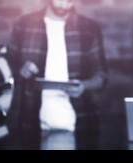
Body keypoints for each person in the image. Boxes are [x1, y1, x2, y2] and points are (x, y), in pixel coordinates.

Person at [8, 0, 107, 149]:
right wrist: (21, 70)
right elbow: (7, 66)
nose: (65, 5)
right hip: (31, 124)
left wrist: (84, 86)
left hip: (80, 125)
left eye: (71, 1)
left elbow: (102, 75)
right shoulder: (24, 25)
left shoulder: (89, 28)